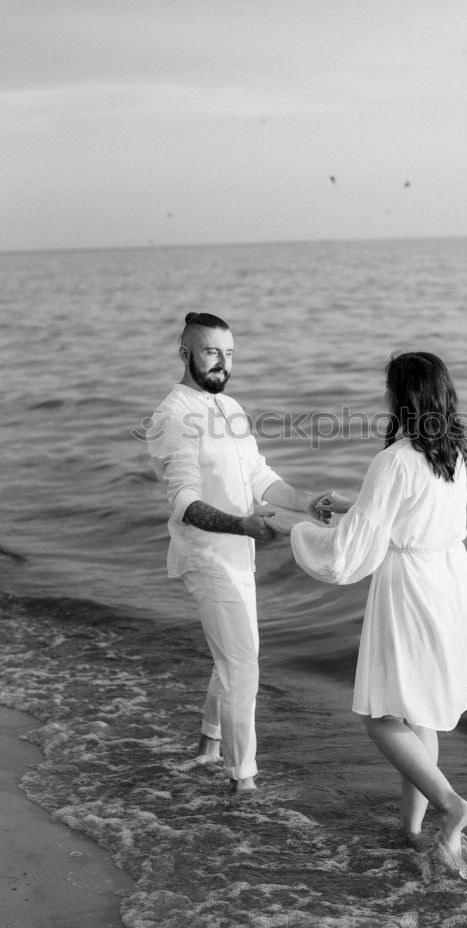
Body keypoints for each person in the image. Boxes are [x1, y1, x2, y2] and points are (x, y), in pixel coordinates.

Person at [270, 351, 467, 858]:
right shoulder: (451, 454)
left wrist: (289, 527)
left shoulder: (394, 460)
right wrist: (351, 505)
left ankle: (450, 804)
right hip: (450, 587)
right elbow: (406, 514)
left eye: (388, 388)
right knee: (418, 712)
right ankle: (410, 831)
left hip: (410, 593)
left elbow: (349, 555)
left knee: (382, 716)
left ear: (400, 397)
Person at [146, 311, 331, 793]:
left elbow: (259, 477)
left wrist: (307, 502)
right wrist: (242, 525)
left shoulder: (228, 408)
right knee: (242, 665)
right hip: (206, 557)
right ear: (184, 352)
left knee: (234, 658)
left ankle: (208, 747)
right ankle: (242, 781)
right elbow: (185, 502)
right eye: (211, 352)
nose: (221, 363)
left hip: (237, 557)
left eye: (228, 353)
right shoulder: (172, 416)